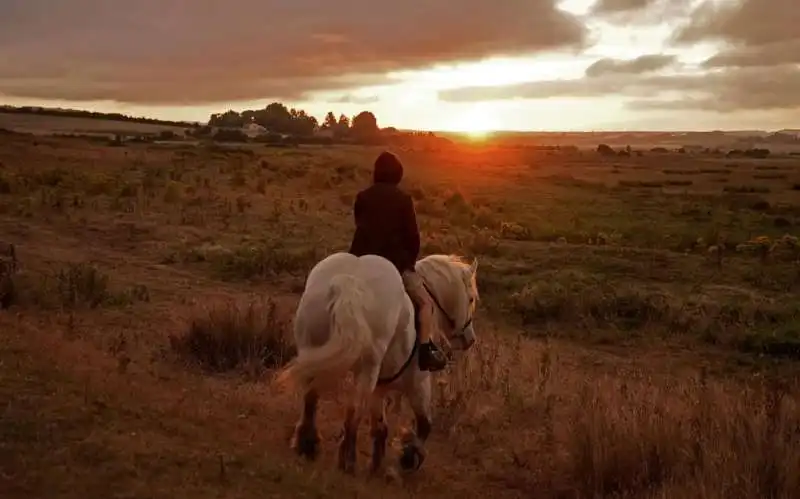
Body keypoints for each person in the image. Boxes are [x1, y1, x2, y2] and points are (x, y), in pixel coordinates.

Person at [348, 151, 448, 372]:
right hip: (395, 263)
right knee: (425, 303)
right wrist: (408, 265)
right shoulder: (404, 200)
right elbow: (413, 238)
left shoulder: (362, 196)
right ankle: (424, 351)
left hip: (360, 262)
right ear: (398, 174)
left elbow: (360, 225)